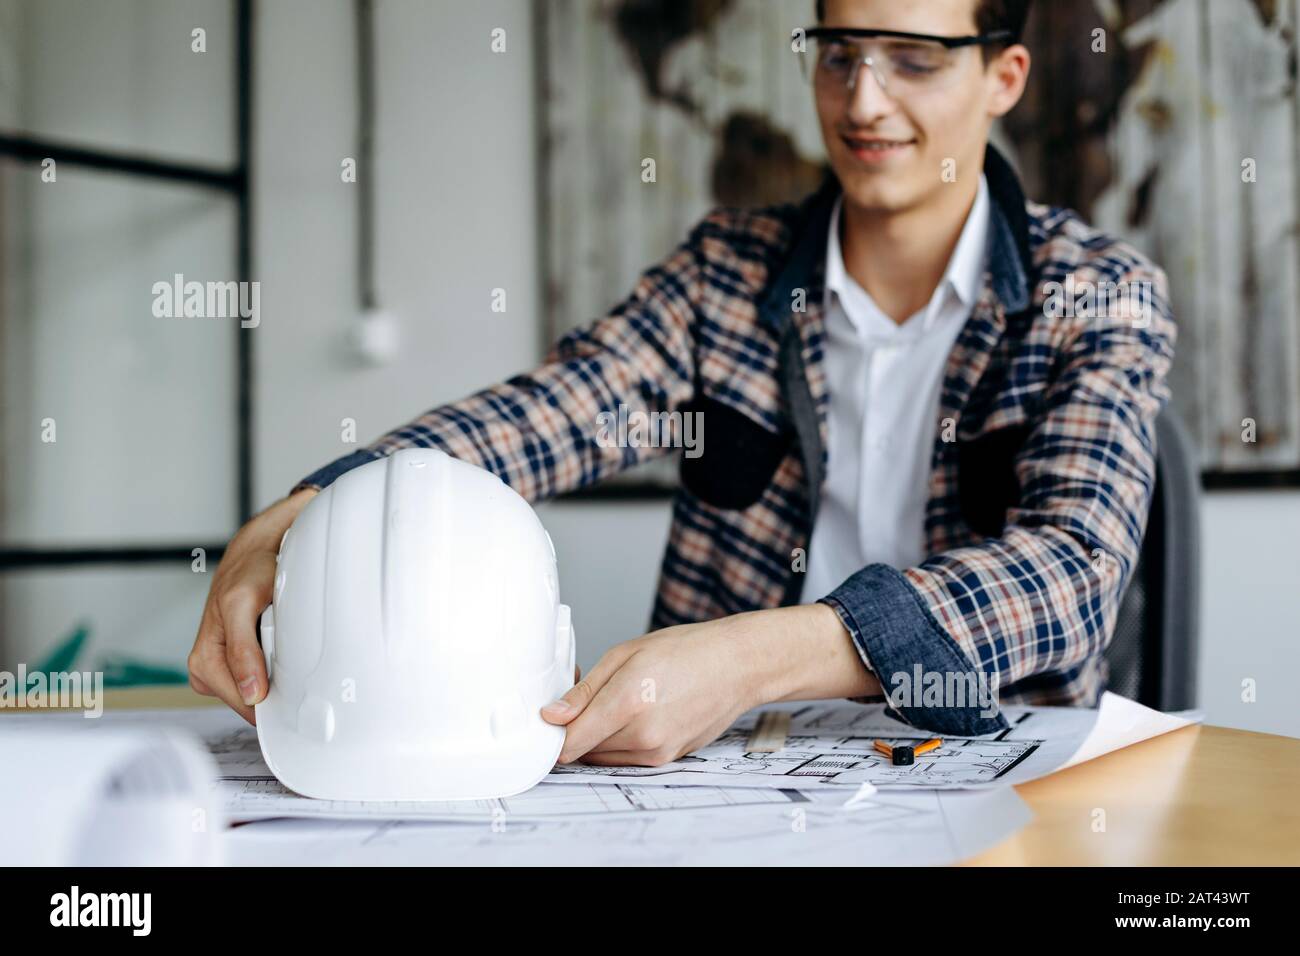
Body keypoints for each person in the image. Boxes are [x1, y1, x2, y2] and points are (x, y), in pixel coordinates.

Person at [189, 0, 1174, 768]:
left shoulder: (1097, 292)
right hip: (725, 777)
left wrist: (749, 657)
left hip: (1000, 771)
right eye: (837, 54)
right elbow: (548, 414)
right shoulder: (723, 276)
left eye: (912, 60)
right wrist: (306, 509)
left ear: (1003, 75)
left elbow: (1075, 570)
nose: (863, 101)